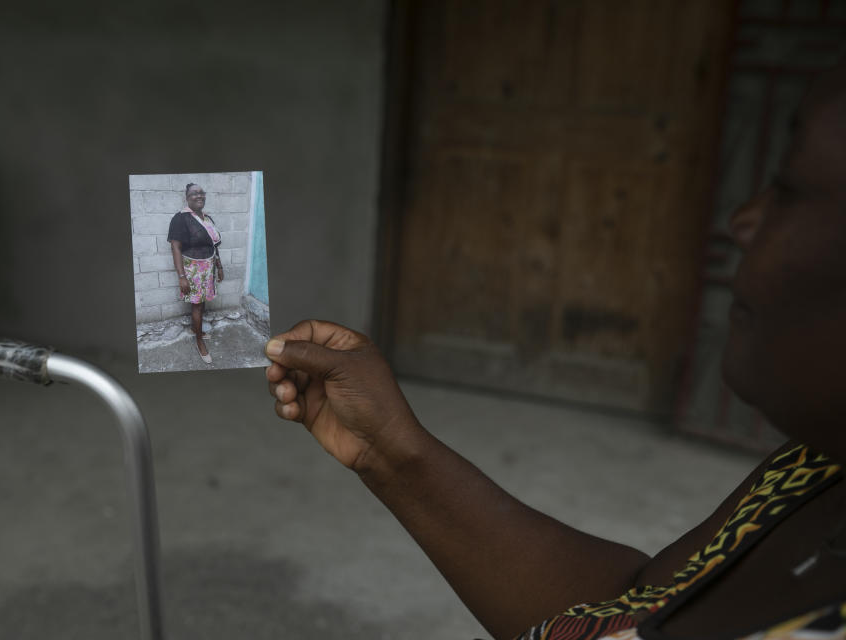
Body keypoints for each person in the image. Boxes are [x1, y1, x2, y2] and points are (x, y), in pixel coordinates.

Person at [263, 64, 846, 640]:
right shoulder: (812, 469)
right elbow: (634, 609)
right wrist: (390, 451)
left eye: (790, 191)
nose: (744, 222)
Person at [168, 183, 225, 364]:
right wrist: (182, 276)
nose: (199, 196)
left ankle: (196, 329)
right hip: (192, 269)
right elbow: (175, 247)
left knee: (203, 303)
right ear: (187, 197)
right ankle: (199, 341)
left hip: (208, 266)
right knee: (197, 306)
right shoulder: (180, 218)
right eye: (194, 193)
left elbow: (213, 245)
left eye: (201, 193)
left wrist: (219, 265)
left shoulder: (207, 218)